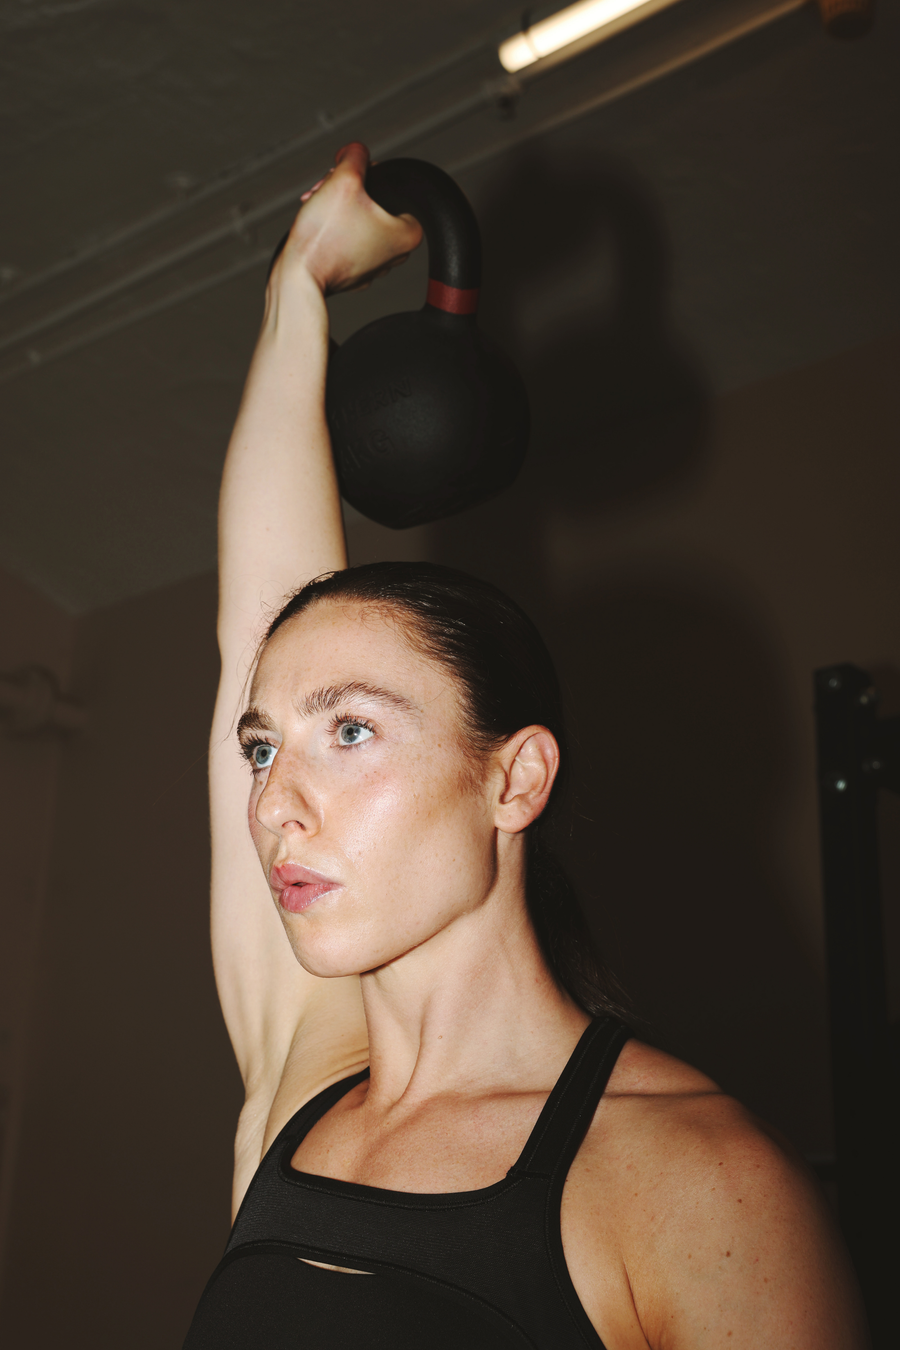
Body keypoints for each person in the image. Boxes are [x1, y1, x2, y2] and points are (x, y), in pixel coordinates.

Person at [184, 143, 868, 1348]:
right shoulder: (300, 1075)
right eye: (260, 748)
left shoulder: (704, 1182)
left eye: (349, 730)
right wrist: (299, 284)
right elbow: (256, 623)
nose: (277, 802)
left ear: (515, 777)